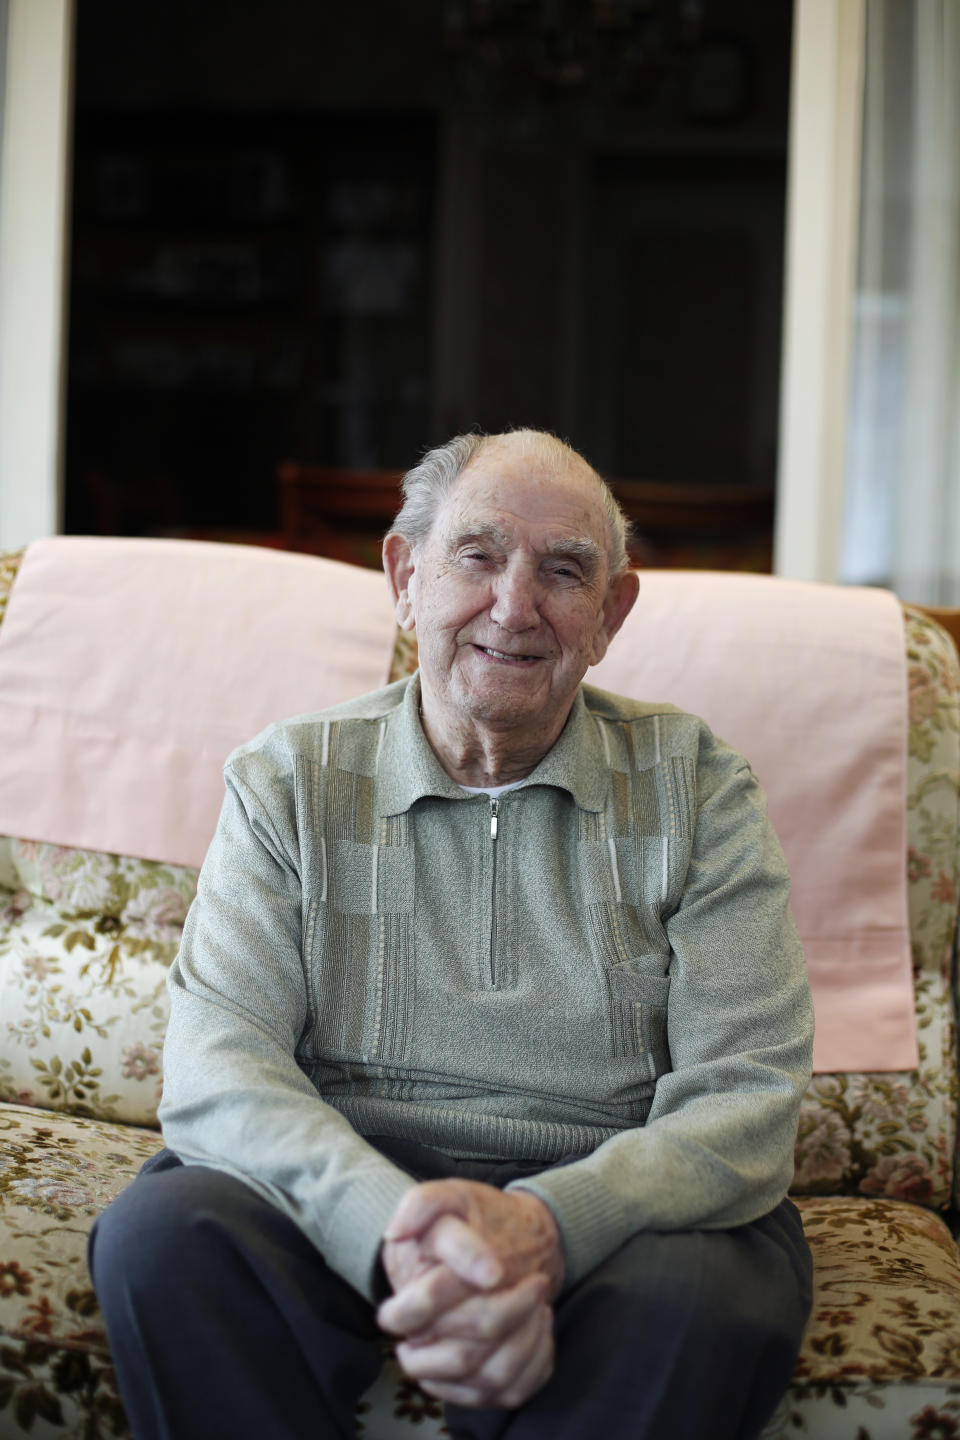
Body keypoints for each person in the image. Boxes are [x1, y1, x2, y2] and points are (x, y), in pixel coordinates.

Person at [89, 428, 814, 1440]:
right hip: (347, 1172)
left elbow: (746, 1097)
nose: (514, 607)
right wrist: (399, 1233)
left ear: (612, 614)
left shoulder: (701, 788)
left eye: (565, 573)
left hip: (619, 1203)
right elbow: (219, 1069)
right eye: (478, 556)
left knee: (707, 1294)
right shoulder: (286, 781)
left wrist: (547, 1230)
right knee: (162, 1236)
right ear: (404, 574)